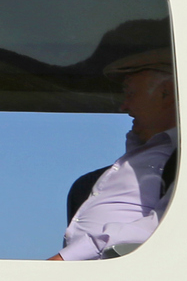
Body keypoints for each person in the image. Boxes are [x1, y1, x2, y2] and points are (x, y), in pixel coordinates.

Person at [52, 49, 178, 261]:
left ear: (166, 93)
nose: (124, 106)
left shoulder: (186, 158)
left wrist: (67, 258)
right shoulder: (138, 158)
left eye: (131, 95)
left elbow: (165, 224)